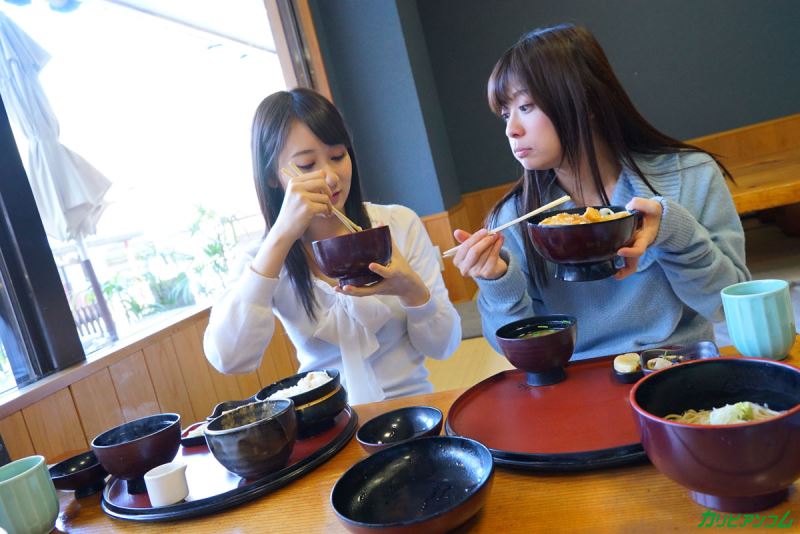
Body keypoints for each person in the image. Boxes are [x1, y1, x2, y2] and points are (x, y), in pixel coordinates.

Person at [450, 24, 750, 360]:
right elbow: (520, 352)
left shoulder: (690, 176)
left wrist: (673, 231)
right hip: (578, 377)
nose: (511, 129)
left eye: (527, 106)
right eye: (506, 114)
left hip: (679, 363)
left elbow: (727, 305)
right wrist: (497, 281)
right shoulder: (513, 218)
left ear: (586, 101)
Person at [204, 88, 461, 404]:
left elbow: (444, 346)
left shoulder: (397, 224)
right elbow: (230, 358)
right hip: (326, 419)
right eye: (307, 164)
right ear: (272, 176)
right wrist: (281, 236)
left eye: (338, 156)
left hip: (414, 410)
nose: (330, 177)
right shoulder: (262, 257)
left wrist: (411, 290)